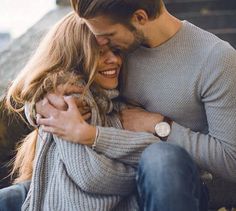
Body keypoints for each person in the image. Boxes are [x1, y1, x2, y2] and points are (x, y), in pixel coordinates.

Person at [34, 0, 236, 210]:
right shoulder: (118, 45)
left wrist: (159, 125)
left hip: (177, 187)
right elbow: (48, 71)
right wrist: (46, 102)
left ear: (140, 17)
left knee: (162, 159)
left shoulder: (217, 60)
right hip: (109, 188)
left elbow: (231, 161)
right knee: (12, 197)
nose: (101, 42)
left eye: (109, 35)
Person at [0, 12, 164, 211]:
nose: (114, 59)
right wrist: (141, 175)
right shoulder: (70, 101)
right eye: (100, 52)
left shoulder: (110, 102)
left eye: (116, 50)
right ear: (75, 56)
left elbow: (154, 151)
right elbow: (92, 176)